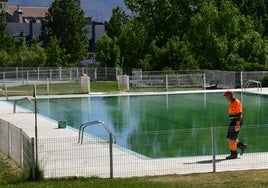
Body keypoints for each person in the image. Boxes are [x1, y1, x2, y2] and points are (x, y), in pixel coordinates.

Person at [223, 90, 247, 159]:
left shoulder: (236, 102)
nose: (226, 97)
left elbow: (240, 114)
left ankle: (233, 154)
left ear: (230, 95)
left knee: (232, 139)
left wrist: (238, 124)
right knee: (230, 138)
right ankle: (241, 145)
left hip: (236, 122)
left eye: (226, 96)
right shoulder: (231, 102)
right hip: (232, 122)